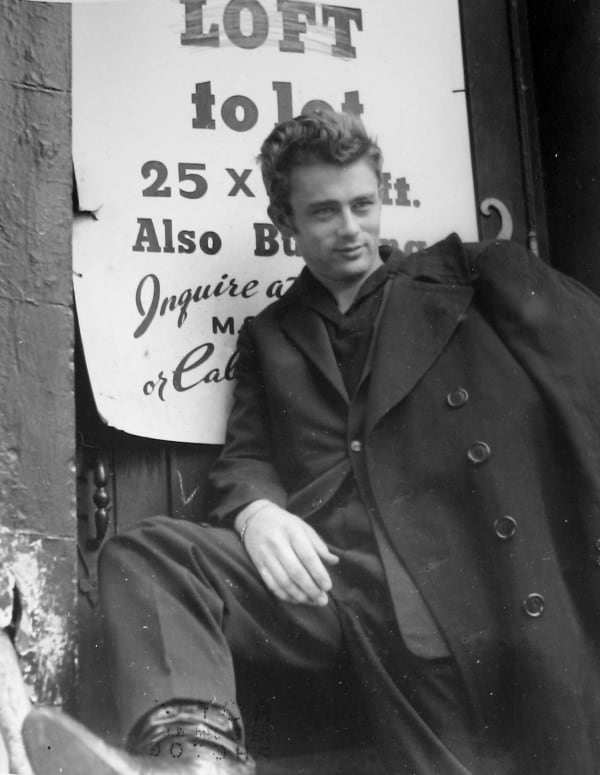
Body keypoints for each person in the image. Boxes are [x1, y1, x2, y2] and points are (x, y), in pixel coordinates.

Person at [21, 110, 600, 774]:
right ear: (284, 222)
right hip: (338, 580)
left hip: (474, 587)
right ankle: (191, 764)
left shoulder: (474, 279)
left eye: (363, 204)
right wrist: (257, 512)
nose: (351, 228)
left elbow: (587, 390)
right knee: (149, 556)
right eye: (324, 212)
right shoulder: (272, 335)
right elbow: (247, 455)